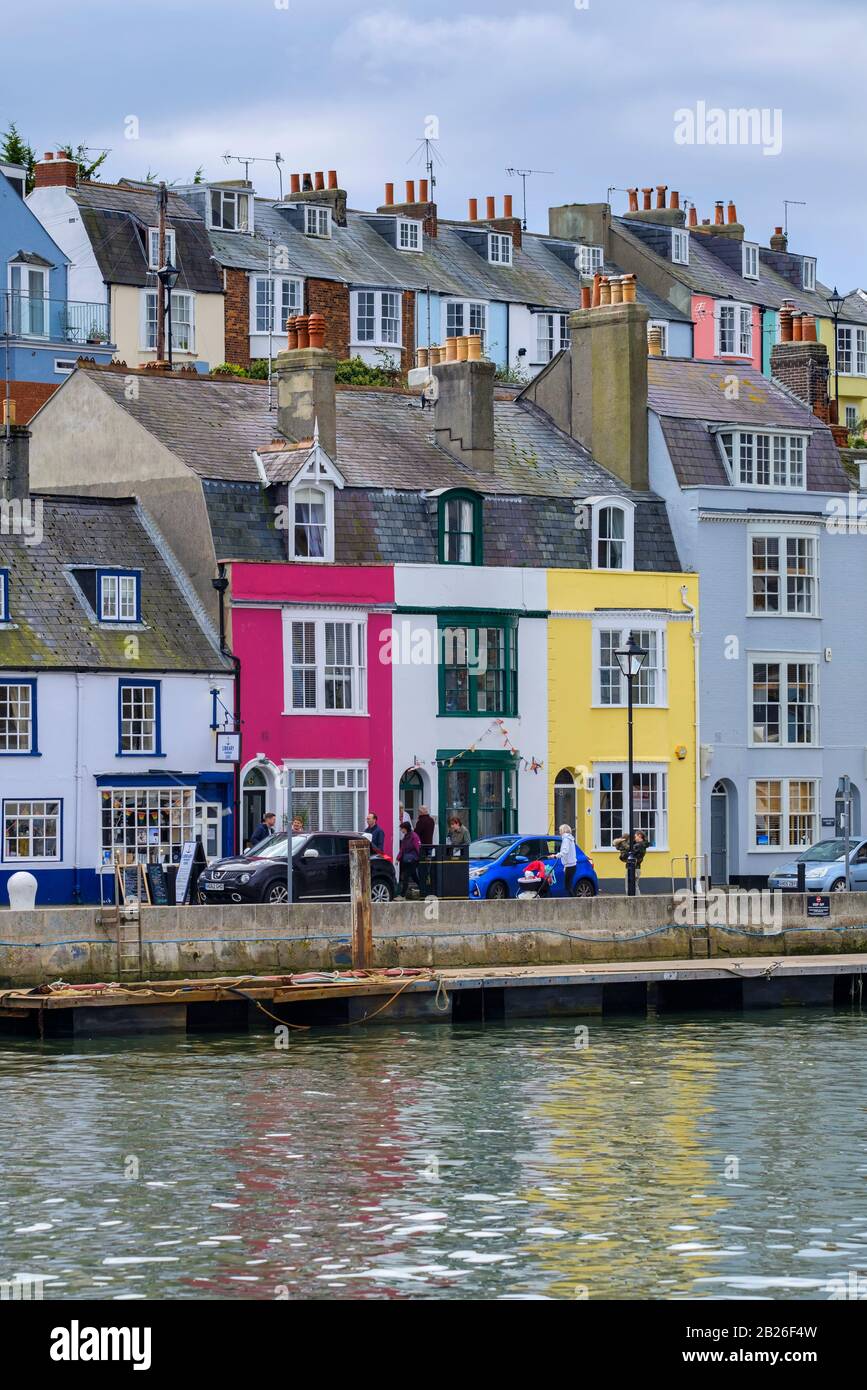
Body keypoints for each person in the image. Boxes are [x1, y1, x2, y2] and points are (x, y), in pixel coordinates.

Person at [613, 829, 647, 893]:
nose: (634, 838)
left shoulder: (640, 845)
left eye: (636, 836)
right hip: (634, 868)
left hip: (634, 868)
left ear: (640, 836)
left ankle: (637, 901)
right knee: (634, 887)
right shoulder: (640, 844)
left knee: (631, 888)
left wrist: (622, 842)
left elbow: (630, 849)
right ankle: (637, 901)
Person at [395, 822, 422, 899]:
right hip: (407, 860)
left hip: (413, 860)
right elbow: (402, 849)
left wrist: (419, 859)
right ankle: (424, 890)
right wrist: (397, 858)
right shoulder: (406, 837)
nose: (400, 830)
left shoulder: (414, 836)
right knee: (414, 877)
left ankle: (402, 895)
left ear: (405, 828)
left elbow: (418, 848)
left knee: (406, 876)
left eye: (401, 828)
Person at [415, 805, 436, 892]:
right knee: (428, 865)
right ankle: (429, 882)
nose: (418, 813)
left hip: (422, 847)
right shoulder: (431, 820)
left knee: (420, 865)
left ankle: (422, 883)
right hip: (429, 846)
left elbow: (416, 833)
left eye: (419, 811)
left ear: (422, 812)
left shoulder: (421, 821)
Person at [558, 823, 578, 896]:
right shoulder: (570, 839)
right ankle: (573, 900)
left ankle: (573, 901)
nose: (559, 833)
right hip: (571, 865)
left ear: (563, 831)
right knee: (569, 885)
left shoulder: (566, 839)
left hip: (569, 865)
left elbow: (565, 851)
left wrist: (556, 856)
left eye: (560, 831)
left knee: (567, 886)